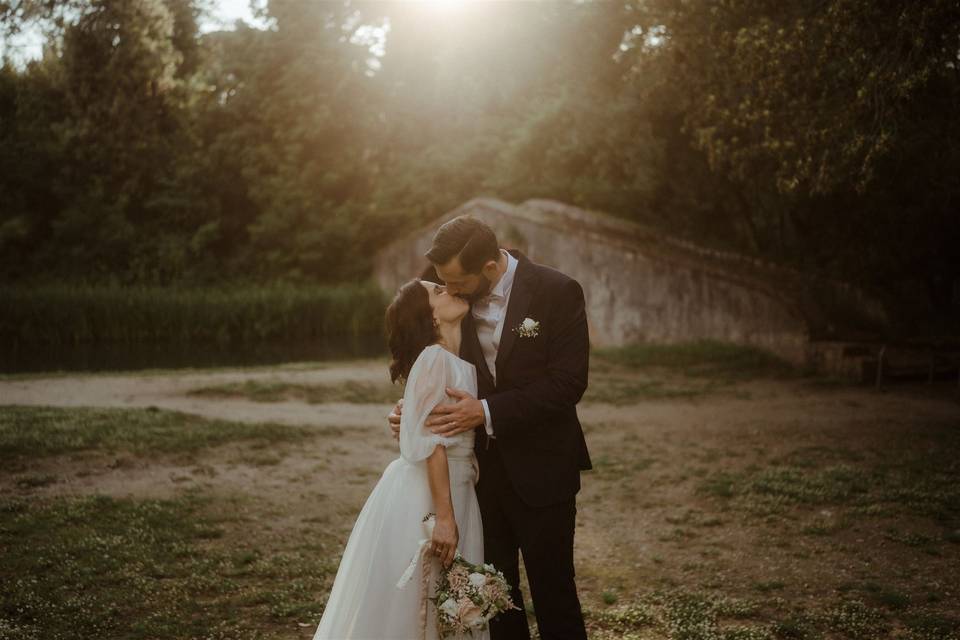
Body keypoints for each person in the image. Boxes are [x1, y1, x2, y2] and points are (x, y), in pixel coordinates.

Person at [389, 215, 592, 640]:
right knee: (496, 602)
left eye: (457, 281)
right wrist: (411, 411)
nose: (450, 289)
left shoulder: (558, 291)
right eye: (443, 281)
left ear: (490, 267)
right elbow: (436, 361)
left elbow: (568, 383)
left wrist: (486, 410)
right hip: (482, 481)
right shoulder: (457, 299)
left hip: (543, 472)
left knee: (555, 596)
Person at [314, 278, 488, 640]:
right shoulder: (434, 358)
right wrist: (444, 517)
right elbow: (432, 443)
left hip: (458, 488)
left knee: (445, 597)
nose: (449, 289)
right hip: (431, 496)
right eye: (437, 291)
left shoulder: (455, 360)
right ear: (430, 316)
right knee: (416, 603)